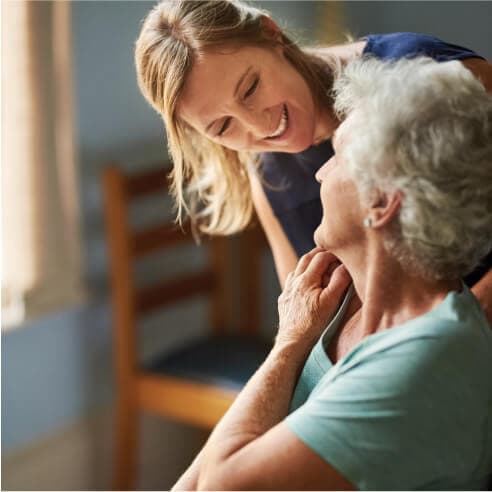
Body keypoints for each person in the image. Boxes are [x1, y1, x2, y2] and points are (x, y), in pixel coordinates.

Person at [171, 56, 492, 490]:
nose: (319, 171)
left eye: (338, 155)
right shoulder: (332, 309)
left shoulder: (430, 359)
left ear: (382, 202)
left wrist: (286, 346)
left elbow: (219, 485)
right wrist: (294, 338)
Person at [134, 0, 492, 323]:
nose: (261, 127)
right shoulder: (268, 176)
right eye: (223, 125)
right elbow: (307, 321)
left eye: (250, 88)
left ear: (270, 34)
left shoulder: (430, 73)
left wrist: (460, 330)